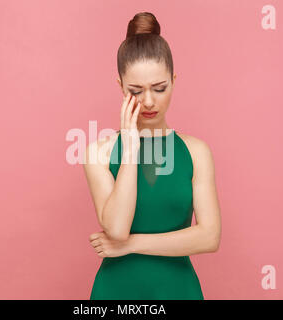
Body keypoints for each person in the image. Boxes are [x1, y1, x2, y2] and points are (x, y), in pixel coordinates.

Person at [83, 12, 221, 300]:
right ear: (120, 86)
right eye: (136, 90)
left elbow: (209, 236)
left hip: (178, 290)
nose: (148, 101)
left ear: (173, 80)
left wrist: (130, 246)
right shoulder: (98, 153)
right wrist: (131, 148)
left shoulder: (196, 152)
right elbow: (117, 228)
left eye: (159, 88)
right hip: (116, 293)